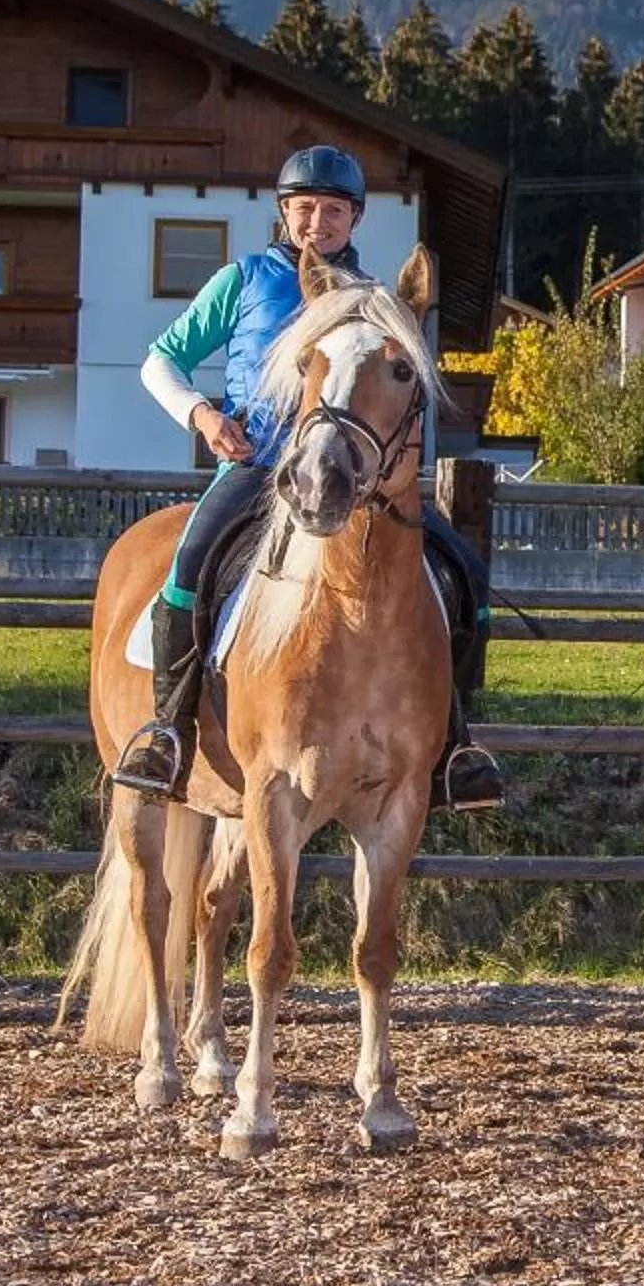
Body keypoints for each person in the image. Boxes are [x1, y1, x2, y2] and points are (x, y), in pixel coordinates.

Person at [106, 144, 507, 810]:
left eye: (331, 211)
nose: (316, 222)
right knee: (187, 571)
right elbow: (159, 362)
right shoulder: (243, 280)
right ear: (283, 212)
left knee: (468, 578)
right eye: (303, 208)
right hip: (261, 466)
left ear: (353, 220)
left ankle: (453, 745)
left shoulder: (374, 300)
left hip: (357, 481)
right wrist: (204, 417)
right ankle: (167, 731)